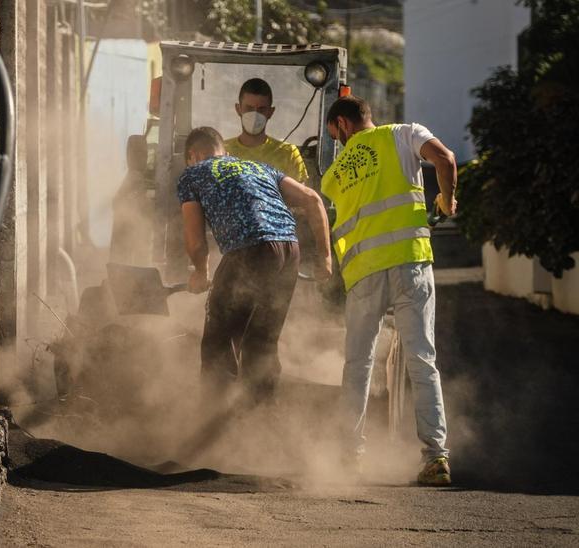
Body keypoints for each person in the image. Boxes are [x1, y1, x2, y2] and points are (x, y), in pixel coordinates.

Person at [322, 96, 457, 486]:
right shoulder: (403, 135)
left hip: (364, 274)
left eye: (335, 135)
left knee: (358, 365)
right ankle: (435, 457)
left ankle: (350, 457)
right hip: (410, 263)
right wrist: (446, 202)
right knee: (421, 360)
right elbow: (445, 160)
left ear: (343, 127)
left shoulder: (333, 176)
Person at [178, 127, 332, 406]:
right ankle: (261, 424)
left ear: (193, 155)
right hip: (289, 250)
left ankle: (210, 427)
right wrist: (325, 257)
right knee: (261, 344)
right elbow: (313, 200)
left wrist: (201, 272)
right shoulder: (259, 168)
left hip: (249, 250)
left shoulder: (193, 173)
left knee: (217, 345)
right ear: (223, 150)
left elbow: (195, 240)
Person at [225, 78, 310, 183]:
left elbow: (301, 196)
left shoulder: (288, 154)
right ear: (238, 109)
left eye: (261, 109)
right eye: (249, 108)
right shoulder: (222, 151)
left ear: (270, 112)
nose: (255, 115)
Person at [110, 135, 155, 266]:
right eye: (138, 153)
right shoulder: (134, 177)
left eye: (144, 153)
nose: (143, 158)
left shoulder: (134, 176)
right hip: (129, 237)